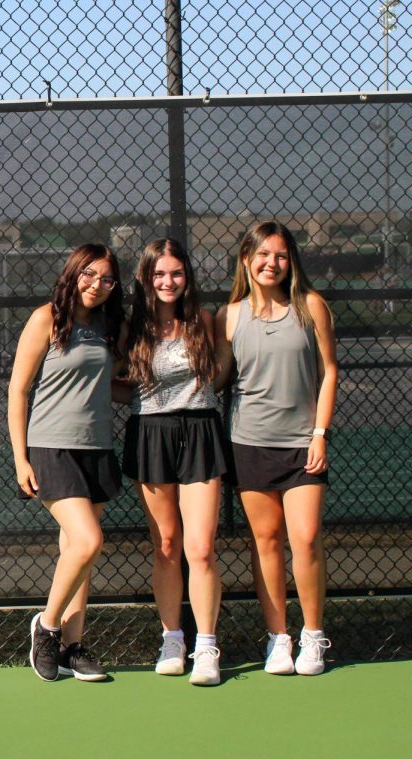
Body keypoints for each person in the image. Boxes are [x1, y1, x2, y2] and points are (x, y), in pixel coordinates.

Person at [215, 221, 338, 676]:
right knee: (265, 541)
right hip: (249, 446)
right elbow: (220, 376)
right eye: (263, 254)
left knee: (304, 539)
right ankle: (278, 639)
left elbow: (328, 371)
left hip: (303, 449)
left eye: (281, 255)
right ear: (246, 259)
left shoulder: (311, 307)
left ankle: (312, 636)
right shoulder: (229, 316)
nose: (272, 263)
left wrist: (320, 433)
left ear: (291, 262)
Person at [8, 243, 125, 682]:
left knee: (78, 554)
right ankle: (47, 626)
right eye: (89, 274)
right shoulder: (46, 319)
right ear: (73, 273)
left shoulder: (108, 327)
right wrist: (20, 457)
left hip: (96, 449)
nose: (97, 285)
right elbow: (19, 390)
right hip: (51, 448)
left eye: (107, 279)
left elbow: (110, 385)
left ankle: (73, 649)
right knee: (88, 540)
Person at [118, 239, 226, 685]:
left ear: (187, 277)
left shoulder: (203, 321)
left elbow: (222, 375)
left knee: (199, 548)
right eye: (159, 274)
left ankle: (205, 647)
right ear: (145, 278)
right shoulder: (131, 330)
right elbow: (113, 382)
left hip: (201, 431)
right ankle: (172, 639)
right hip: (151, 434)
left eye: (176, 273)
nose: (168, 282)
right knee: (165, 546)